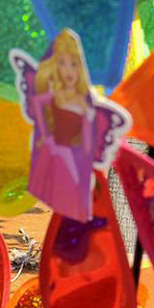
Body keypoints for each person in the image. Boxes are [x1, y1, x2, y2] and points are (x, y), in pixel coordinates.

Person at [30, 30, 99, 222]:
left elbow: (87, 146)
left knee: (72, 200)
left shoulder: (84, 105)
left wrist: (86, 164)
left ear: (81, 69)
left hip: (67, 155)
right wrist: (44, 133)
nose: (68, 70)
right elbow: (37, 102)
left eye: (74, 64)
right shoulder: (56, 95)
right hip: (52, 149)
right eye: (62, 63)